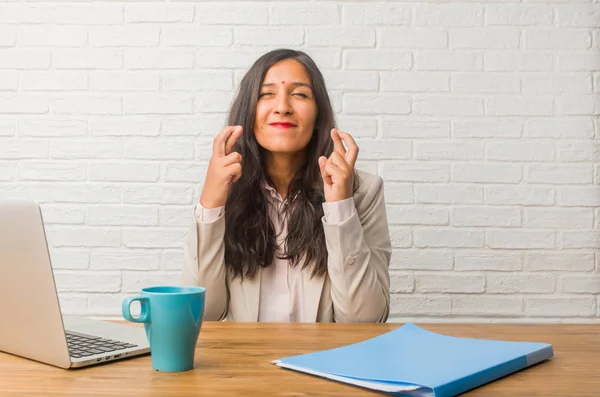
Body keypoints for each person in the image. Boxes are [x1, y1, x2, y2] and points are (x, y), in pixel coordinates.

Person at [181, 48, 391, 323]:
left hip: (324, 361)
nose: (282, 107)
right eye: (266, 94)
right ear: (248, 111)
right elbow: (203, 313)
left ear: (319, 116)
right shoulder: (225, 189)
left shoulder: (364, 191)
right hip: (245, 364)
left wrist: (340, 207)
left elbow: (365, 321)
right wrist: (210, 205)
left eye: (300, 94)